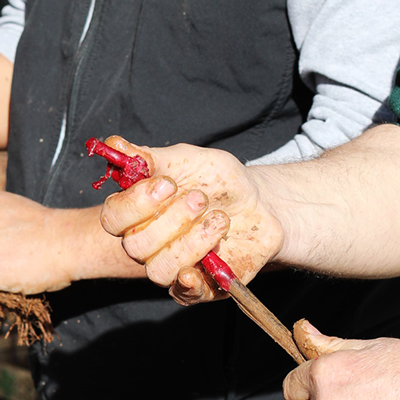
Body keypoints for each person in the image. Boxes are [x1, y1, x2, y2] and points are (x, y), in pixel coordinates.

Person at [0, 1, 399, 399]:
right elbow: (29, 38)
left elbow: (368, 126)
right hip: (73, 349)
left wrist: (59, 239)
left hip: (226, 366)